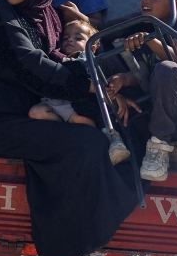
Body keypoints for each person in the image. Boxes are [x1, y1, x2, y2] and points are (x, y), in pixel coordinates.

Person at [0, 0, 138, 256]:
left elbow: (61, 59)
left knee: (123, 134)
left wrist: (104, 87)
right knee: (86, 144)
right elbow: (29, 65)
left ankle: (100, 239)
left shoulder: (46, 15)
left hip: (36, 111)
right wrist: (86, 86)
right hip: (1, 118)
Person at [106, 0, 177, 182]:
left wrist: (150, 40)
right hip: (155, 116)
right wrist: (124, 79)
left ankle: (159, 147)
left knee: (167, 68)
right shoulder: (144, 32)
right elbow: (142, 72)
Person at [28, 19, 132, 164]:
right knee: (35, 112)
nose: (70, 40)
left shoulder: (90, 62)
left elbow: (105, 86)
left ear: (93, 48)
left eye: (78, 38)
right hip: (55, 102)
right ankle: (67, 134)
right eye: (66, 37)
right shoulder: (57, 60)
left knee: (81, 121)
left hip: (76, 107)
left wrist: (116, 94)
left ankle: (106, 144)